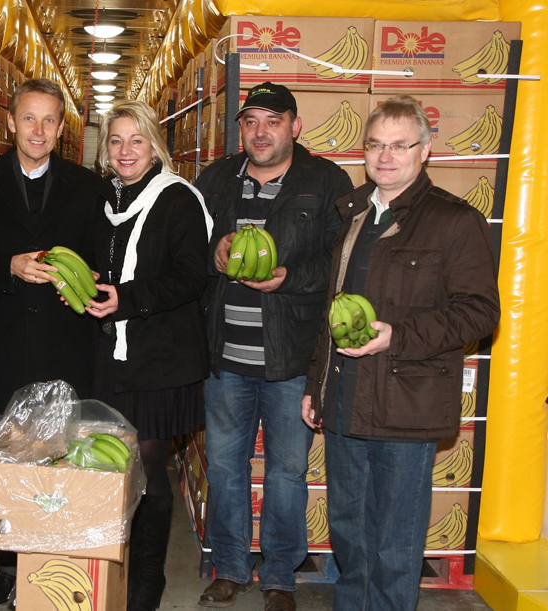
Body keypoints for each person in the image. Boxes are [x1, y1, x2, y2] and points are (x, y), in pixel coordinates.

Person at [301, 95, 500, 610]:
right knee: (347, 530)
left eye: (399, 145)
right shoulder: (351, 214)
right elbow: (334, 310)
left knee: (394, 539)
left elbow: (480, 312)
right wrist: (315, 384)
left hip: (405, 404)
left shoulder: (454, 222)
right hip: (345, 399)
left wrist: (398, 335)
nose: (385, 156)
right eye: (375, 145)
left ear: (425, 150)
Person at [194, 82, 353, 611]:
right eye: (251, 121)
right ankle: (233, 566)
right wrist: (210, 253)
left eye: (273, 120)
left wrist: (287, 275)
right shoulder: (215, 179)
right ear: (241, 128)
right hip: (224, 356)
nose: (260, 132)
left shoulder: (326, 181)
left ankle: (280, 575)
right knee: (224, 467)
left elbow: (341, 264)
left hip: (289, 358)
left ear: (295, 126)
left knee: (287, 472)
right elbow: (183, 250)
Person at [0, 78, 109, 607]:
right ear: (11, 123)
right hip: (5, 348)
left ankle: (51, 563)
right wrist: (8, 267)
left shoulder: (89, 187)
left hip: (66, 345)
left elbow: (102, 261)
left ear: (61, 128)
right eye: (28, 119)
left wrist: (82, 278)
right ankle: (6, 569)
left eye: (49, 121)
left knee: (58, 463)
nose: (38, 130)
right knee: (7, 467)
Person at [88, 99, 212, 611]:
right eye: (115, 141)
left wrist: (128, 298)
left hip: (159, 357)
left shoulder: (177, 198)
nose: (125, 151)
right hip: (111, 355)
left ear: (153, 144)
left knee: (148, 470)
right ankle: (109, 568)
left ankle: (147, 581)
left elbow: (190, 277)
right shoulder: (105, 199)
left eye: (135, 140)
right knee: (111, 468)